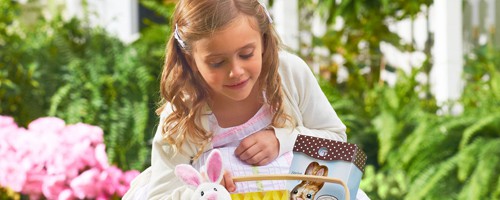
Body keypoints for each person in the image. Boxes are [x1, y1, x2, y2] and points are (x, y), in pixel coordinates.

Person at [123, 0, 350, 199]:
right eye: (217, 62)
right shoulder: (184, 110)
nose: (236, 71)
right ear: (192, 60)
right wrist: (202, 191)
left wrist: (282, 139)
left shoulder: (290, 74)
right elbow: (160, 195)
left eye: (246, 54)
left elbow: (337, 142)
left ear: (262, 40)